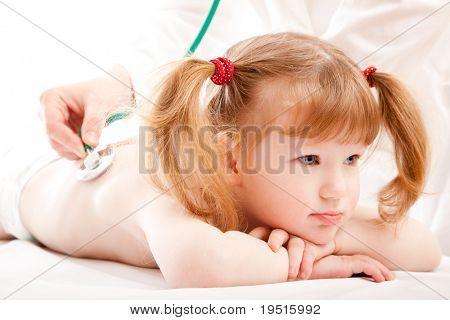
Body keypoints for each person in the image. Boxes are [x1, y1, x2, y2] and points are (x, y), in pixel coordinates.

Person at [0, 32, 442, 288]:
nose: (338, 189)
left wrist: (330, 238)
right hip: (28, 185)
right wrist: (316, 265)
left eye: (350, 159)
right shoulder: (174, 196)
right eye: (309, 159)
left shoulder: (298, 199)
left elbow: (424, 248)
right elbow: (201, 267)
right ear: (231, 161)